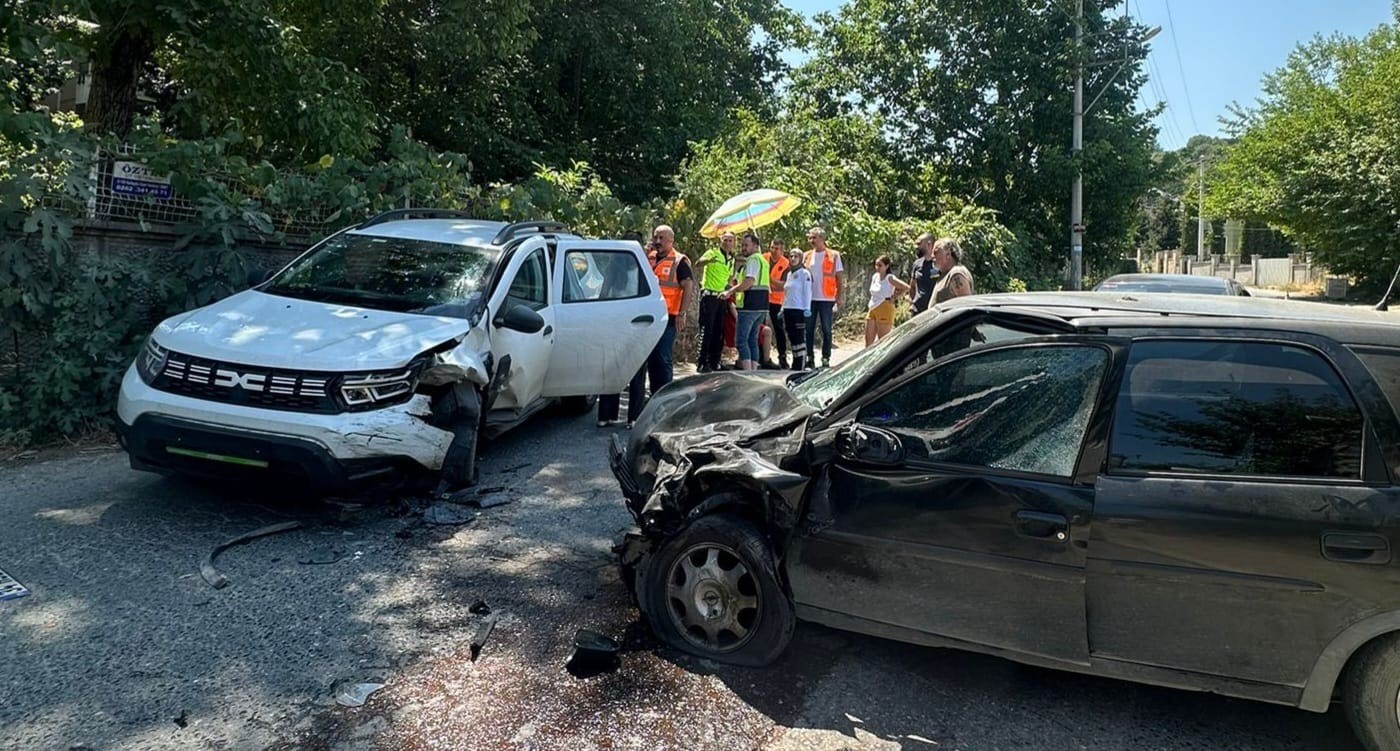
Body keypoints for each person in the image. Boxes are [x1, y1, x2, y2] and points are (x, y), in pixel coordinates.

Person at [598, 231, 648, 427]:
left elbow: (603, 293)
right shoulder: (642, 265)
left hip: (615, 320)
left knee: (612, 367)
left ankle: (606, 415)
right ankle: (634, 417)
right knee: (636, 369)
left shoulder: (614, 265)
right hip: (638, 321)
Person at [645, 225, 693, 389]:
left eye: (661, 238)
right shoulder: (649, 257)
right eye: (655, 237)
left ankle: (665, 394)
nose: (657, 241)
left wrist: (682, 313)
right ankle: (654, 393)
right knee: (651, 357)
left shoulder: (679, 261)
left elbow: (688, 285)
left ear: (671, 241)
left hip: (669, 317)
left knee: (662, 357)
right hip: (649, 316)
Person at [721, 232, 769, 371]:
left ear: (755, 246)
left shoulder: (753, 260)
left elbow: (749, 281)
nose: (743, 248)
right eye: (742, 245)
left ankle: (748, 372)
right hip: (761, 306)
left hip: (750, 305)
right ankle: (753, 370)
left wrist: (729, 292)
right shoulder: (763, 261)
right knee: (752, 340)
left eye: (746, 245)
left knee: (742, 341)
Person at [694, 232, 737, 372]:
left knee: (719, 331)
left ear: (734, 242)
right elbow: (698, 264)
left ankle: (715, 361)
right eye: (725, 240)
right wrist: (708, 261)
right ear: (721, 240)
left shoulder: (731, 259)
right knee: (707, 329)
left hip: (722, 297)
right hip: (709, 295)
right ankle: (702, 362)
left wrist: (732, 290)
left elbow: (729, 278)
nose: (727, 243)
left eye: (730, 240)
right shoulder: (712, 252)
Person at [803, 226, 843, 368]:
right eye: (810, 238)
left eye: (814, 237)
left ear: (822, 238)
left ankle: (825, 358)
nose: (811, 240)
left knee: (826, 329)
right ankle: (809, 357)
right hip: (810, 299)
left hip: (826, 298)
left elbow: (839, 278)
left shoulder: (834, 255)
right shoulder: (806, 255)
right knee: (809, 329)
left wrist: (839, 296)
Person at [865, 254, 911, 347]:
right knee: (868, 342)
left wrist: (894, 297)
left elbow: (906, 287)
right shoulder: (875, 276)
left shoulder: (889, 278)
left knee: (882, 342)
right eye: (876, 265)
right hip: (873, 306)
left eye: (880, 265)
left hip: (884, 307)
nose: (877, 268)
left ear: (887, 266)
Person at [781, 248, 812, 370]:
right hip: (789, 309)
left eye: (796, 257)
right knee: (792, 337)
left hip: (799, 310)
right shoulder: (789, 274)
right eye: (791, 256)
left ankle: (801, 364)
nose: (793, 259)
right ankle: (795, 362)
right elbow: (787, 293)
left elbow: (807, 292)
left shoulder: (805, 274)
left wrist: (807, 308)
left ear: (801, 259)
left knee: (799, 337)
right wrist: (783, 308)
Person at [762, 238, 790, 369]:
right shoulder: (763, 258)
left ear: (782, 250)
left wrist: (769, 278)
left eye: (777, 249)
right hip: (762, 298)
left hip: (777, 301)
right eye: (772, 247)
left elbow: (783, 285)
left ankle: (782, 357)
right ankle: (761, 356)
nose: (773, 251)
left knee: (779, 329)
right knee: (760, 327)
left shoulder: (786, 264)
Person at [931, 237, 974, 303]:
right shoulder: (944, 274)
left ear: (948, 254)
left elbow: (966, 305)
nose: (932, 256)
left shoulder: (956, 273)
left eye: (935, 252)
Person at [909, 232, 939, 315]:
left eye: (919, 244)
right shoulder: (917, 264)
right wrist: (912, 303)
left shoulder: (938, 264)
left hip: (933, 311)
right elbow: (912, 286)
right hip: (917, 311)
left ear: (929, 244)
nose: (916, 247)